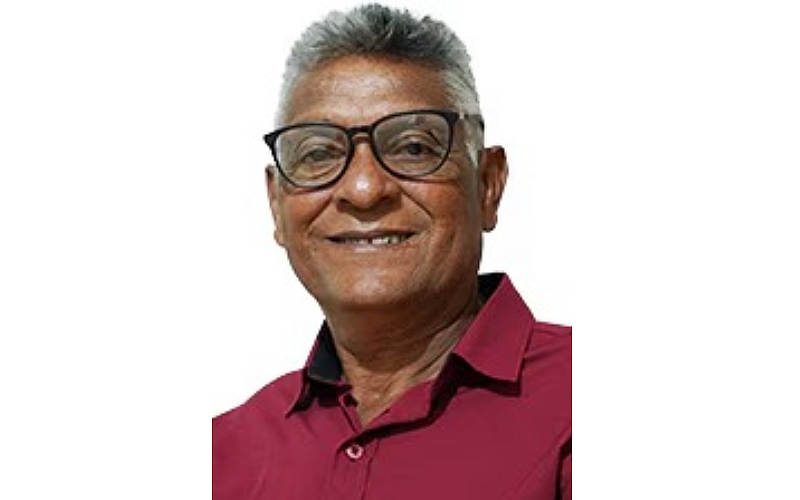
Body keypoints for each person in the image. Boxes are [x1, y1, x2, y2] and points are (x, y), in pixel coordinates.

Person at [212, 4, 571, 499]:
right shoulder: (224, 454)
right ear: (276, 205)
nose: (363, 190)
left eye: (413, 147)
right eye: (319, 154)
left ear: (488, 185)